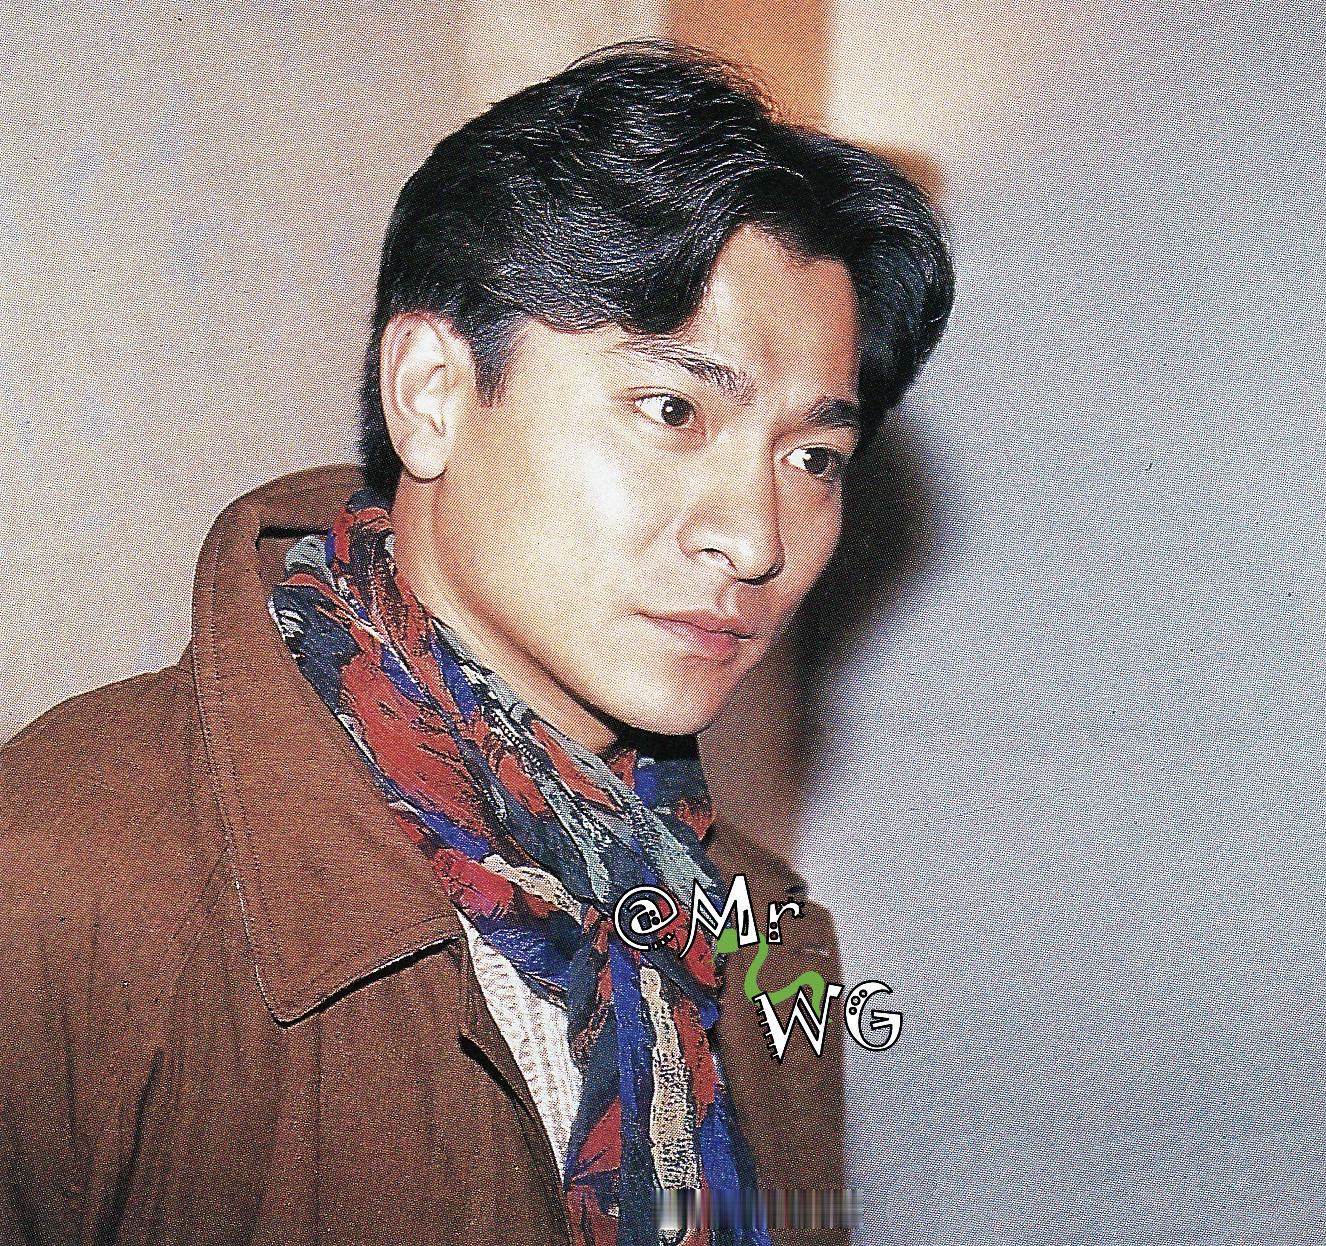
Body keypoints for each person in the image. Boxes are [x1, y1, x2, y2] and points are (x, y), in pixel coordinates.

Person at [0, 40, 953, 1246]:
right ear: (431, 393)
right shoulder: (63, 885)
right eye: (672, 409)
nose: (758, 537)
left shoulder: (767, 931)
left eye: (813, 456)